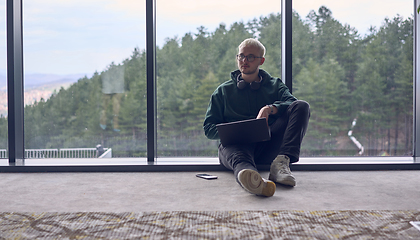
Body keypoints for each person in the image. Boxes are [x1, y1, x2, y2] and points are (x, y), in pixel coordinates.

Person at [203, 38, 310, 197]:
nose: (244, 61)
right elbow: (208, 129)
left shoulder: (275, 85)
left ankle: (280, 163)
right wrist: (235, 130)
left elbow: (292, 104)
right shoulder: (222, 91)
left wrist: (269, 109)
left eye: (251, 57)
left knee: (302, 106)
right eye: (241, 56)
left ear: (262, 60)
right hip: (236, 147)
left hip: (268, 146)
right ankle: (253, 179)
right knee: (239, 159)